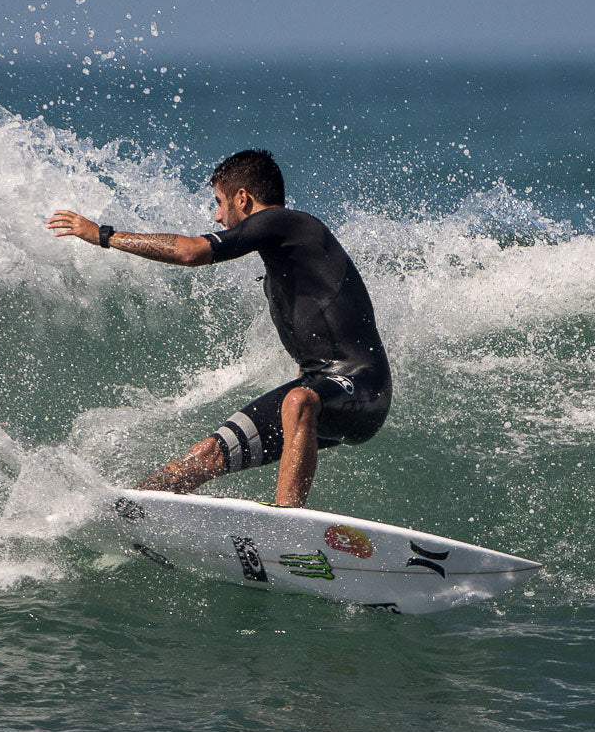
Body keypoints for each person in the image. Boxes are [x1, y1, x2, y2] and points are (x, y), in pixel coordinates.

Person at [48, 149, 390, 508]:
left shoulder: (286, 222)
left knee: (298, 400)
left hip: (363, 386)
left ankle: (288, 528)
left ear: (242, 197)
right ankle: (132, 512)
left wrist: (103, 235)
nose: (217, 214)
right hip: (318, 385)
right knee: (206, 453)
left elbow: (191, 252)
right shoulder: (284, 253)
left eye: (219, 202)